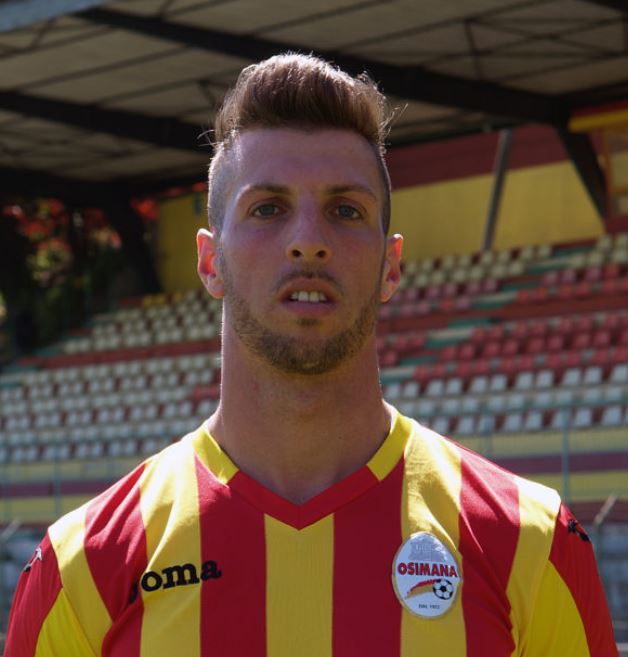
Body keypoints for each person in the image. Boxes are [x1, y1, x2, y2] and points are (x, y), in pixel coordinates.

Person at [5, 53, 618, 657]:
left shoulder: (532, 546)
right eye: (267, 208)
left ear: (391, 266)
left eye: (345, 210)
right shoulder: (81, 569)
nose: (307, 241)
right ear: (210, 261)